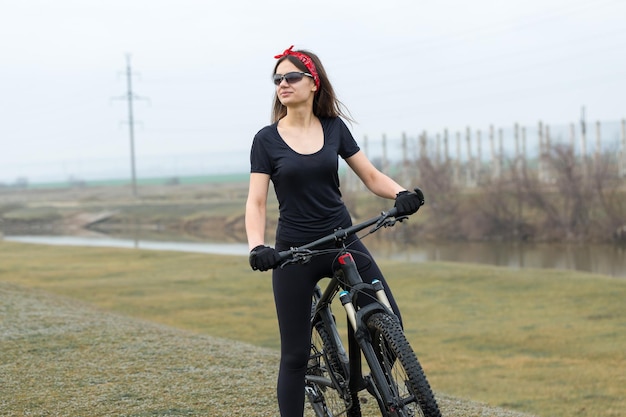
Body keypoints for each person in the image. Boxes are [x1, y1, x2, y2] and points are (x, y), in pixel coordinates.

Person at [245, 45, 423, 417]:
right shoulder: (266, 140)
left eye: (291, 76)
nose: (283, 84)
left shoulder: (333, 128)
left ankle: (371, 379)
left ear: (314, 83)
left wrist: (401, 193)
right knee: (294, 356)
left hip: (343, 237)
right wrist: (257, 246)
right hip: (295, 252)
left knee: (392, 324)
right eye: (277, 79)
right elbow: (257, 202)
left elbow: (371, 176)